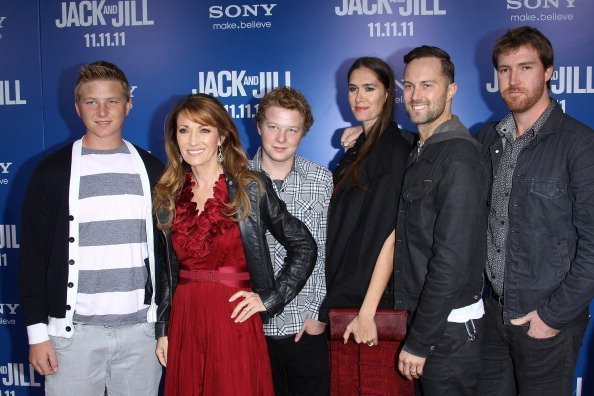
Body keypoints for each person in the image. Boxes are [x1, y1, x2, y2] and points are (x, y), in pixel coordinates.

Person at [153, 93, 318, 395]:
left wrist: (270, 297)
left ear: (222, 135)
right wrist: (162, 330)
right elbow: (167, 269)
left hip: (233, 319)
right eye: (184, 130)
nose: (193, 140)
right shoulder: (168, 193)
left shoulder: (249, 186)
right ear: (174, 138)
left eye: (204, 129)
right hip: (186, 320)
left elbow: (304, 245)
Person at [19, 61, 164, 395]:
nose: (102, 111)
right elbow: (32, 259)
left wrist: (163, 327)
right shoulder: (51, 173)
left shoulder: (153, 169)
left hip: (141, 336)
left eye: (112, 101)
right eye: (91, 102)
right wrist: (37, 335)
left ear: (128, 105)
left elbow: (167, 255)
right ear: (77, 107)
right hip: (72, 338)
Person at [476, 26, 594, 395]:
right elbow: (439, 152)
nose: (513, 79)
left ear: (548, 72)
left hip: (545, 321)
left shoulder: (579, 144)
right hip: (493, 315)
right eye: (505, 69)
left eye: (525, 68)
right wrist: (373, 132)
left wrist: (552, 316)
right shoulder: (488, 139)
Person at [392, 46, 487, 395]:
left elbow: (451, 262)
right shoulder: (424, 148)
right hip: (431, 323)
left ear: (451, 90)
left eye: (427, 85)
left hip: (447, 334)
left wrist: (420, 341)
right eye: (409, 86)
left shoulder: (459, 157)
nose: (416, 96)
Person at [321, 57, 412, 347]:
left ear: (387, 93)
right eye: (353, 88)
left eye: (369, 88)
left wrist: (367, 312)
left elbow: (390, 236)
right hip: (343, 294)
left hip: (368, 306)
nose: (359, 97)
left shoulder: (392, 150)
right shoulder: (362, 143)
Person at [250, 86, 333, 395]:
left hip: (304, 326)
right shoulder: (235, 179)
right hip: (252, 329)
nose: (281, 139)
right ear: (259, 126)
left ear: (303, 133)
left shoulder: (321, 179)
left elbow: (325, 252)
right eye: (273, 127)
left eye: (291, 130)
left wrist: (317, 315)